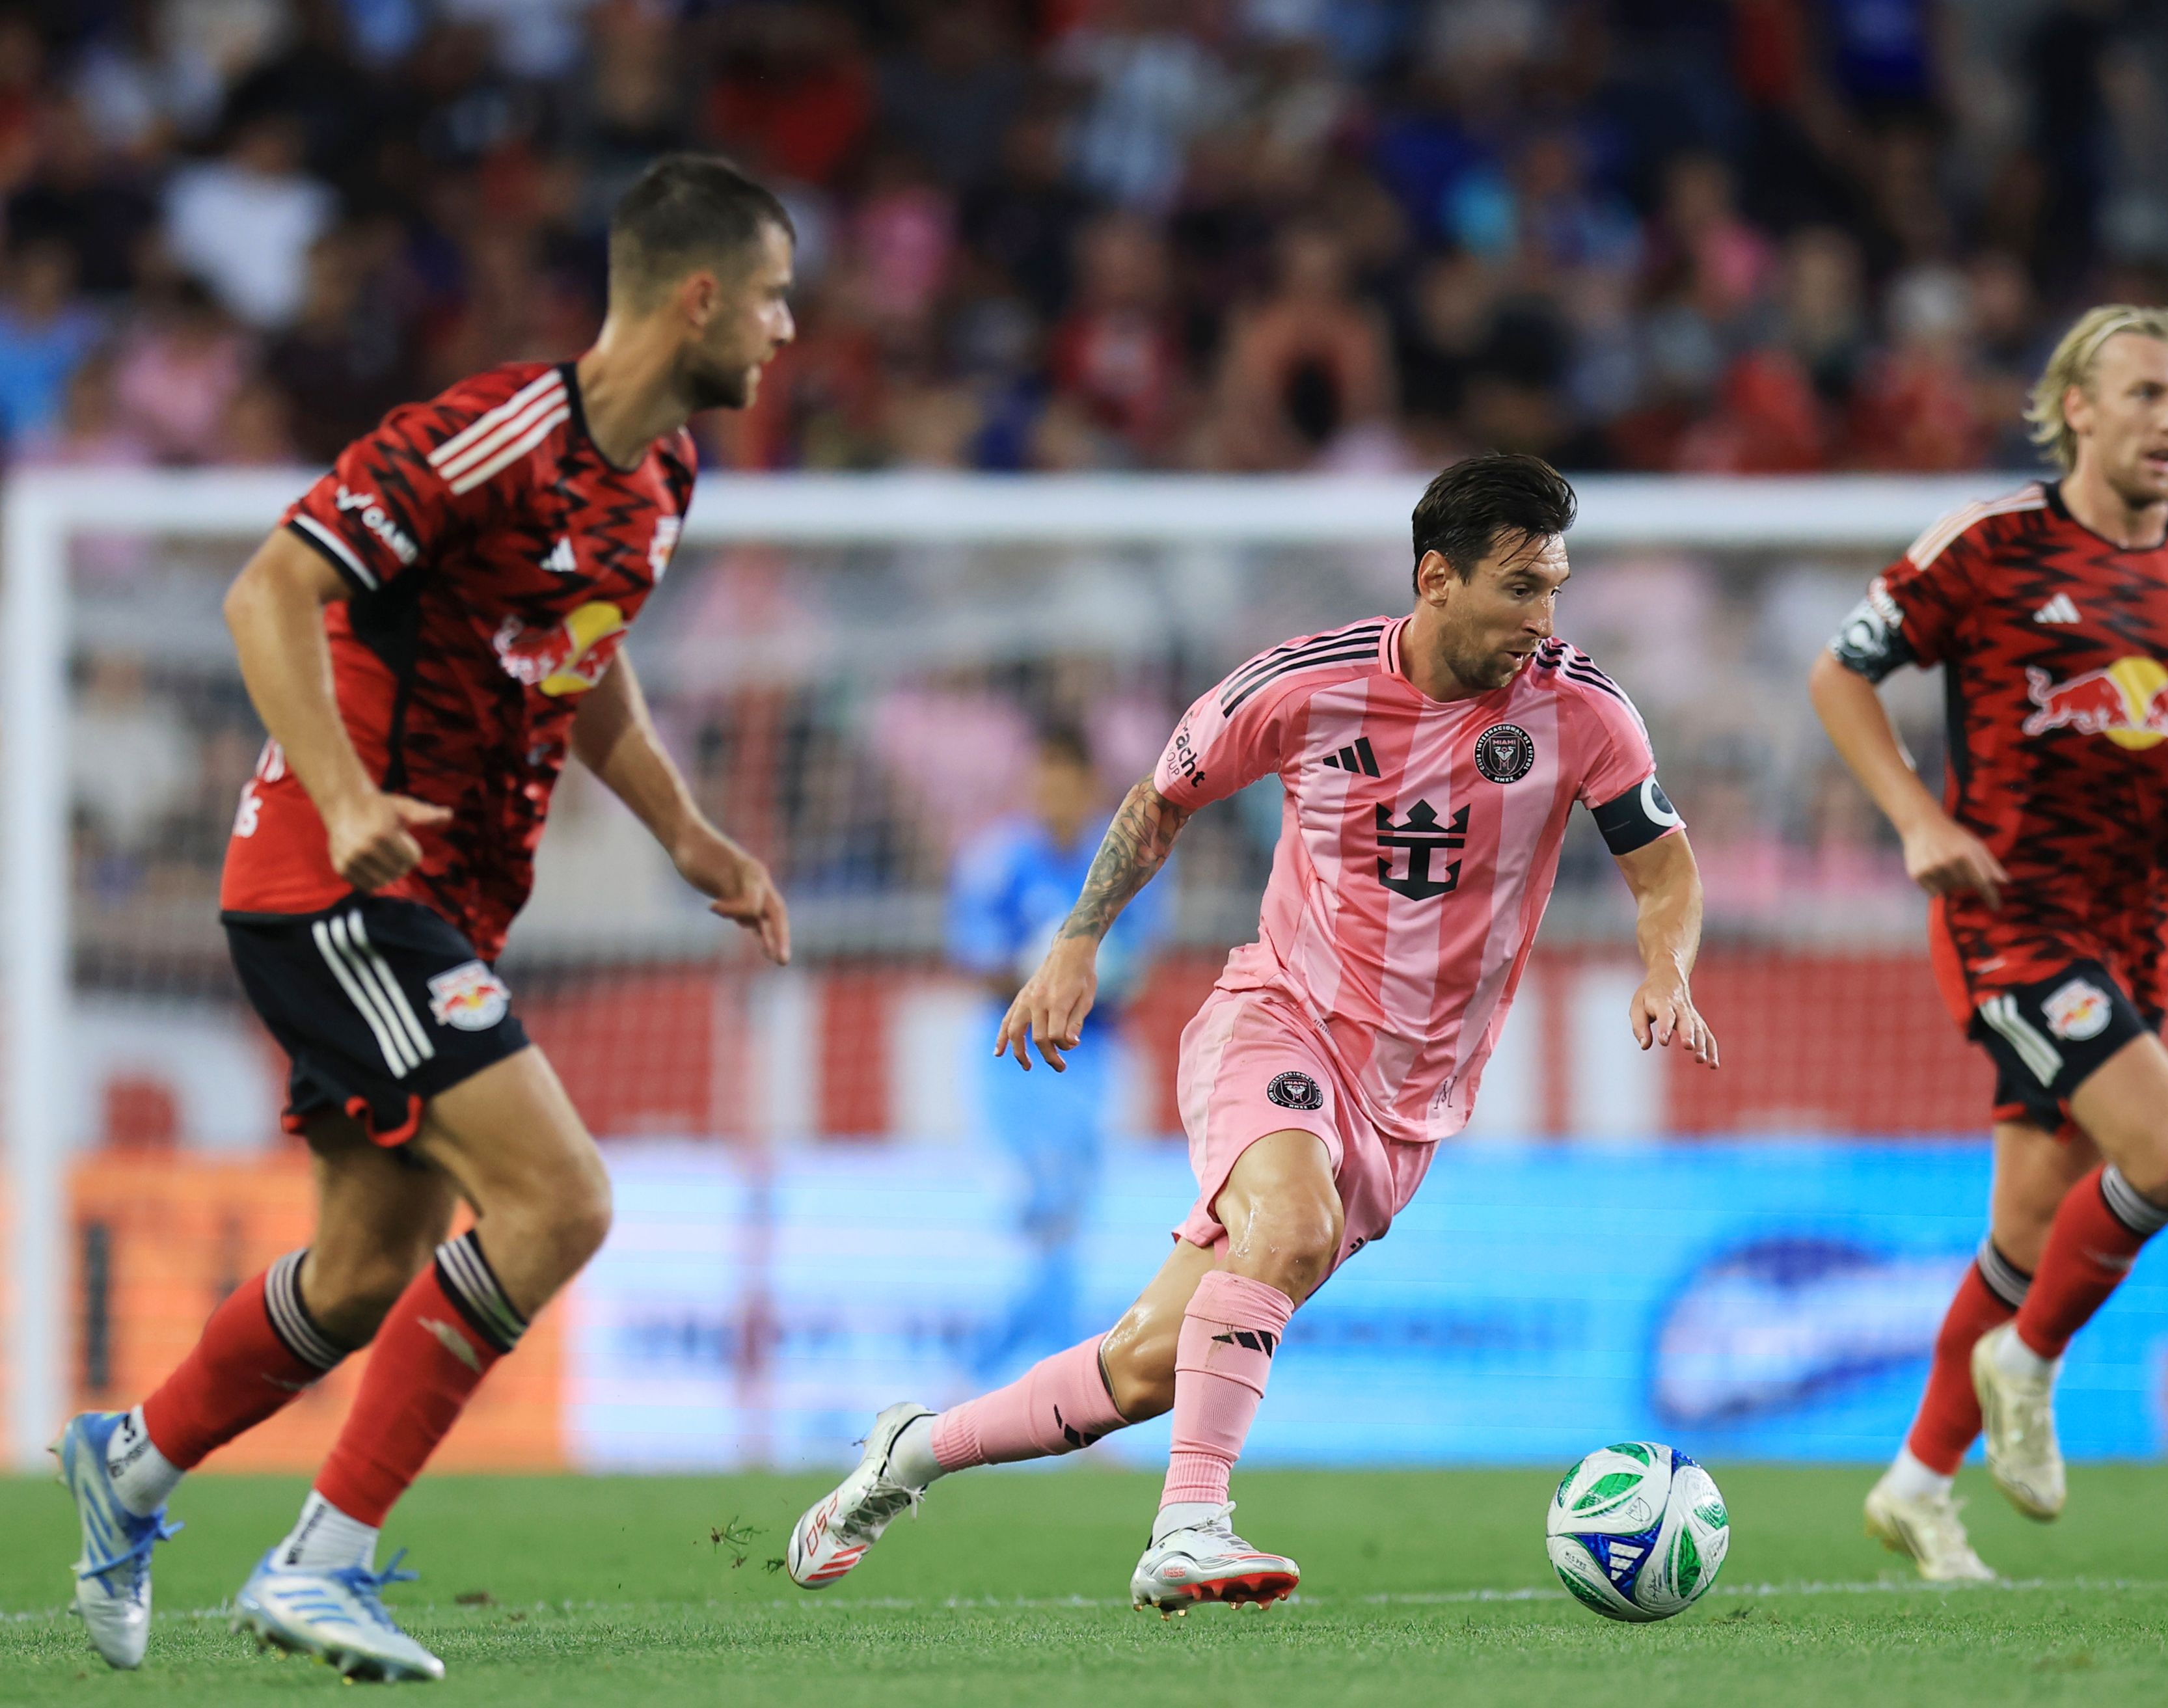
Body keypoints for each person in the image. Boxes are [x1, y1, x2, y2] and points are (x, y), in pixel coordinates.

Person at [54, 154, 798, 1683]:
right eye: (777, 299)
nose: (788, 335)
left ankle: (127, 1463)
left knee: (359, 1269)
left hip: (441, 897)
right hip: (340, 881)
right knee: (561, 1202)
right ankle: (320, 1563)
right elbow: (264, 591)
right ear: (700, 296)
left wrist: (689, 836)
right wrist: (339, 798)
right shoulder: (492, 435)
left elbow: (585, 663)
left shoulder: (660, 480)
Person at [783, 454, 1718, 1612]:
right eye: (1521, 588)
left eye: (1556, 589)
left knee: (1138, 1368)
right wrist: (1077, 940)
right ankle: (1189, 1528)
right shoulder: (1302, 685)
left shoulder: (1581, 711)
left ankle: (906, 1455)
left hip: (1410, 1107)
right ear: (1437, 578)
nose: (1545, 619)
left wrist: (1665, 968)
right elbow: (1160, 801)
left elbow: (1663, 868)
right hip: (1276, 1022)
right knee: (1287, 1218)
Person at [1808, 304, 2168, 1580]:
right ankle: (2028, 1359)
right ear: (2076, 407)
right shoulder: (1993, 545)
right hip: (2008, 917)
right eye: (2144, 395)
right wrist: (1912, 818)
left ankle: (1913, 1485)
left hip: (2132, 933)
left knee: (2022, 1221)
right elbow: (1838, 676)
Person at [947, 720, 1165, 1374]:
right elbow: (973, 963)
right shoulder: (996, 860)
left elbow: (1139, 970)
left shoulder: (1126, 856)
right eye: (1040, 782)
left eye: (1063, 782)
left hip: (1090, 1064)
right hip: (1013, 1066)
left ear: (1086, 786)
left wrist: (1102, 971)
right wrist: (1049, 966)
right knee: (1041, 1229)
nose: (1051, 795)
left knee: (1063, 1234)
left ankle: (976, 1388)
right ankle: (1069, 1389)